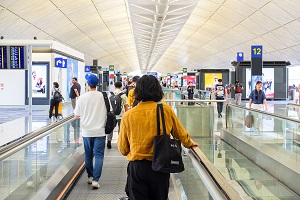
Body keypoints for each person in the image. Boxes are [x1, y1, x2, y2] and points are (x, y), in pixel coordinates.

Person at [118, 75, 199, 200]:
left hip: (137, 168)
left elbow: (123, 149)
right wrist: (189, 143)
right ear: (158, 90)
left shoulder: (128, 115)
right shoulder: (165, 110)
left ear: (137, 91)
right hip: (160, 166)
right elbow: (180, 133)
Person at [74, 74, 106, 189]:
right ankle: (96, 180)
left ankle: (90, 177)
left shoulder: (82, 98)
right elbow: (110, 112)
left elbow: (76, 115)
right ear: (96, 85)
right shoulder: (103, 96)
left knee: (88, 155)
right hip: (100, 131)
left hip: (86, 132)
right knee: (99, 156)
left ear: (87, 84)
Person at [107, 81, 129, 149]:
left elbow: (107, 105)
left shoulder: (110, 94)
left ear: (114, 86)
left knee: (111, 127)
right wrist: (127, 114)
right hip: (121, 114)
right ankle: (120, 141)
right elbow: (126, 106)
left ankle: (109, 139)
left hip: (112, 114)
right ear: (121, 87)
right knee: (121, 128)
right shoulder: (123, 95)